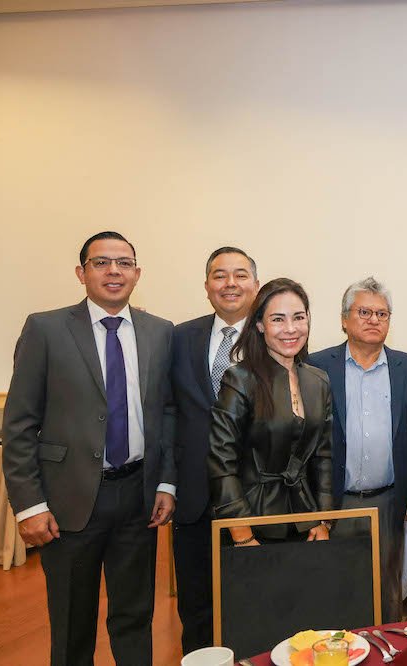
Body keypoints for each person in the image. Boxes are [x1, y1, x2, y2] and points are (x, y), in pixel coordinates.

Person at [2, 231, 176, 665]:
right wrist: (28, 506)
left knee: (135, 616)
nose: (114, 271)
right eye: (101, 263)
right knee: (72, 622)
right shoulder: (45, 329)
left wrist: (166, 482)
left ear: (137, 273)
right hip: (68, 500)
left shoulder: (159, 332)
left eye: (124, 263)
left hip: (137, 496)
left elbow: (167, 413)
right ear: (82, 273)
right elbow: (20, 423)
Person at [308, 277, 407, 623]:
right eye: (364, 312)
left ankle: (387, 646)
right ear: (344, 320)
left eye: (382, 314)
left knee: (387, 588)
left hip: (388, 500)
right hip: (334, 502)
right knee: (334, 586)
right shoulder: (316, 366)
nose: (374, 320)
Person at [170, 246, 259, 652]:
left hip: (255, 496)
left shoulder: (276, 334)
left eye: (240, 274)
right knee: (197, 607)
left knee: (256, 604)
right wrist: (166, 483)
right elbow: (168, 413)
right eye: (220, 275)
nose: (230, 283)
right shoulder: (179, 337)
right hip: (194, 497)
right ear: (206, 286)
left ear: (255, 285)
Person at [208, 278, 332, 545]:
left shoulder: (318, 381)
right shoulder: (240, 379)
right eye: (278, 319)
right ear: (260, 325)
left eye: (299, 317)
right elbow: (221, 460)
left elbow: (323, 457)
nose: (290, 329)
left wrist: (323, 518)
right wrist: (241, 532)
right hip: (251, 524)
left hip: (306, 522)